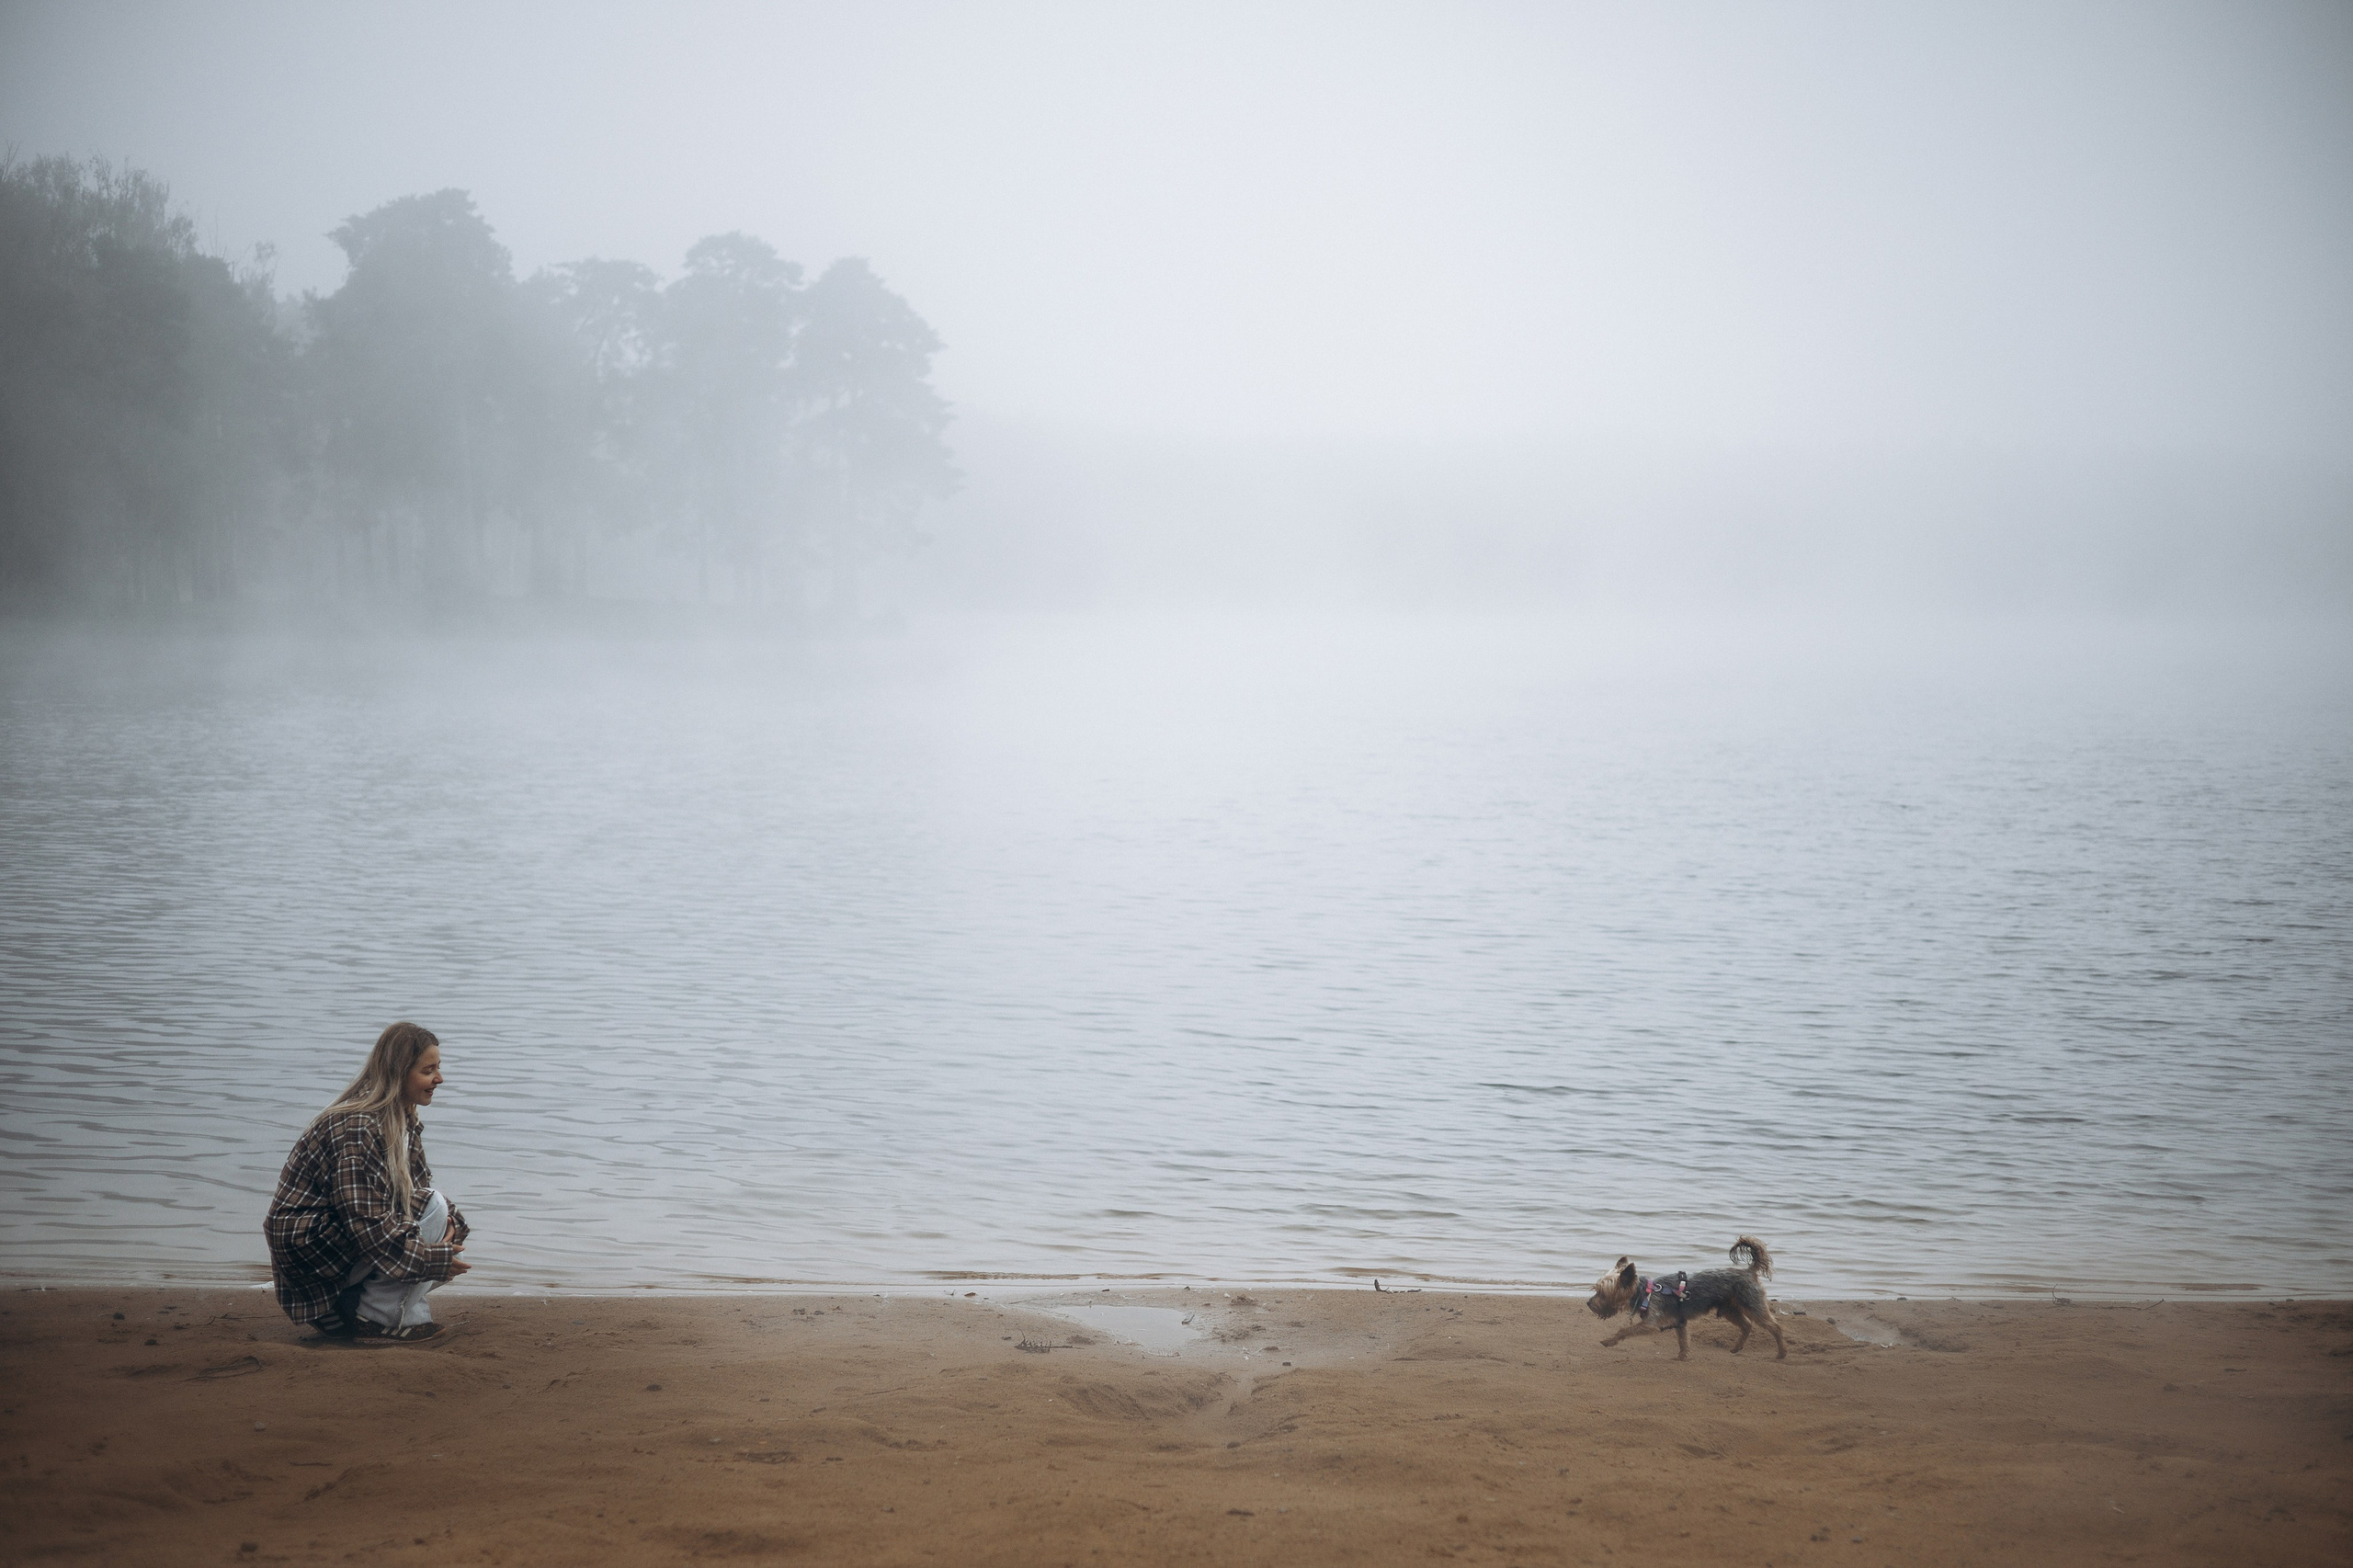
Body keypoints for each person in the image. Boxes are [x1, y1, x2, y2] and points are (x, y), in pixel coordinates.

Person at [264, 1021, 472, 1341]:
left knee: (438, 1217)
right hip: (310, 1251)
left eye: (438, 1068)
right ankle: (379, 1319)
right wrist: (434, 1259)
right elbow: (366, 1227)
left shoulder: (401, 1117)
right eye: (428, 1070)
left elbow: (415, 1191)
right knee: (433, 1218)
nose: (439, 1079)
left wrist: (452, 1227)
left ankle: (348, 1307)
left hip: (338, 1243)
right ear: (399, 1073)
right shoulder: (359, 1128)